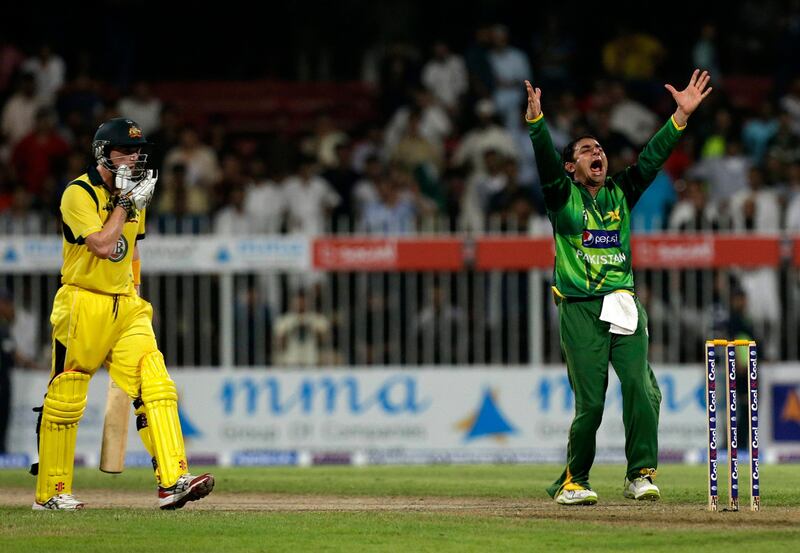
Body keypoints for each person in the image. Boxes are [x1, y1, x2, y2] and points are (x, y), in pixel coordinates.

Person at [524, 69, 712, 505]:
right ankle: (575, 480)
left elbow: (650, 160)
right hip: (579, 309)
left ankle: (639, 474)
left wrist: (679, 118)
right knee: (590, 404)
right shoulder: (561, 197)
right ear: (572, 166)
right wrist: (537, 127)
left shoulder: (621, 193)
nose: (598, 153)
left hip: (623, 304)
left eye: (601, 149)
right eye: (586, 150)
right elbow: (547, 165)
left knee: (642, 389)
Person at [30, 117, 214, 510]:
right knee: (66, 397)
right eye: (125, 151)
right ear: (102, 154)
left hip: (125, 304)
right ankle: (52, 492)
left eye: (138, 151)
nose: (134, 157)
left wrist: (137, 297)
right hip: (83, 301)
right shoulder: (77, 194)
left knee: (156, 384)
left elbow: (131, 251)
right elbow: (101, 244)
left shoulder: (135, 195)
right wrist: (126, 206)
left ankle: (172, 480)